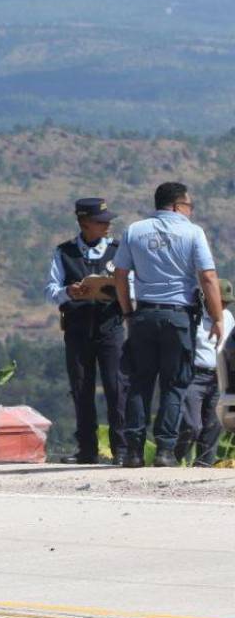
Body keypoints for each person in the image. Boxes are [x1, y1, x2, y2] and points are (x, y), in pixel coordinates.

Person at [114, 181, 223, 468]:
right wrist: (218, 317)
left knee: (140, 383)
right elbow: (208, 277)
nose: (190, 212)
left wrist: (128, 312)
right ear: (177, 206)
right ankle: (164, 450)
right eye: (189, 207)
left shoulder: (134, 230)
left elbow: (120, 275)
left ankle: (134, 452)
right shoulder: (192, 232)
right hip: (178, 317)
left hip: (144, 316)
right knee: (174, 385)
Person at [44, 197, 128, 464]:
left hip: (110, 328)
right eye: (101, 222)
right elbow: (51, 290)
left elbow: (133, 285)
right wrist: (70, 292)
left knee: (116, 388)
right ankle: (87, 450)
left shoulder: (119, 250)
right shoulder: (64, 252)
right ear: (84, 223)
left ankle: (122, 449)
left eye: (108, 222)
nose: (107, 226)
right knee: (81, 388)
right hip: (77, 329)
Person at [175, 278, 235, 467]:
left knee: (213, 426)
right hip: (195, 376)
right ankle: (173, 459)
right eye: (220, 301)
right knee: (192, 425)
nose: (223, 306)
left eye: (226, 303)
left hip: (219, 377)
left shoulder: (228, 318)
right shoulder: (194, 317)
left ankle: (204, 466)